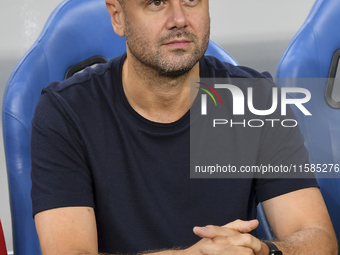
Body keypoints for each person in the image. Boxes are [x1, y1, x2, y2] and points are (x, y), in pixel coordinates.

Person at [30, 0, 338, 255]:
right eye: (156, 3)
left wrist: (265, 252)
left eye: (191, 0)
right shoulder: (66, 112)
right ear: (118, 17)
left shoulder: (253, 99)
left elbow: (317, 238)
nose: (179, 19)